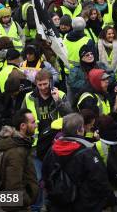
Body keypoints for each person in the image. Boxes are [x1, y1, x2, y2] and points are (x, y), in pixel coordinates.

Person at [42, 113, 113, 212]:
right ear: (79, 130)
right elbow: (99, 179)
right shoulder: (88, 152)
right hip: (84, 205)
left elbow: (45, 174)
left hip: (59, 203)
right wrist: (108, 201)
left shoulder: (52, 150)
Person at [22, 69, 71, 212]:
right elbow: (22, 118)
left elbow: (69, 116)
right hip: (36, 146)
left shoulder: (60, 94)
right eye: (39, 85)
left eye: (45, 84)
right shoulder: (29, 97)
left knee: (54, 179)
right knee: (37, 180)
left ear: (51, 82)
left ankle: (52, 206)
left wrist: (59, 102)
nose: (43, 87)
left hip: (56, 145)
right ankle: (37, 207)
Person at [0, 109, 39, 212]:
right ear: (23, 126)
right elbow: (14, 186)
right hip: (18, 207)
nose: (36, 125)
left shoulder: (21, 144)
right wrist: (27, 200)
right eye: (33, 122)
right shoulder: (16, 152)